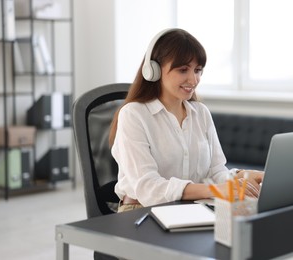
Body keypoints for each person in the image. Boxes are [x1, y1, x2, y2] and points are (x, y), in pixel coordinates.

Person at [109, 28, 264, 212]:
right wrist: (216, 190)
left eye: (198, 70)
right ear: (154, 70)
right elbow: (148, 188)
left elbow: (215, 172)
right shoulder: (134, 115)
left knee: (247, 230)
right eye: (183, 70)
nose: (193, 79)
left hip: (191, 208)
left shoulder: (201, 113)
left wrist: (242, 177)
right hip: (140, 211)